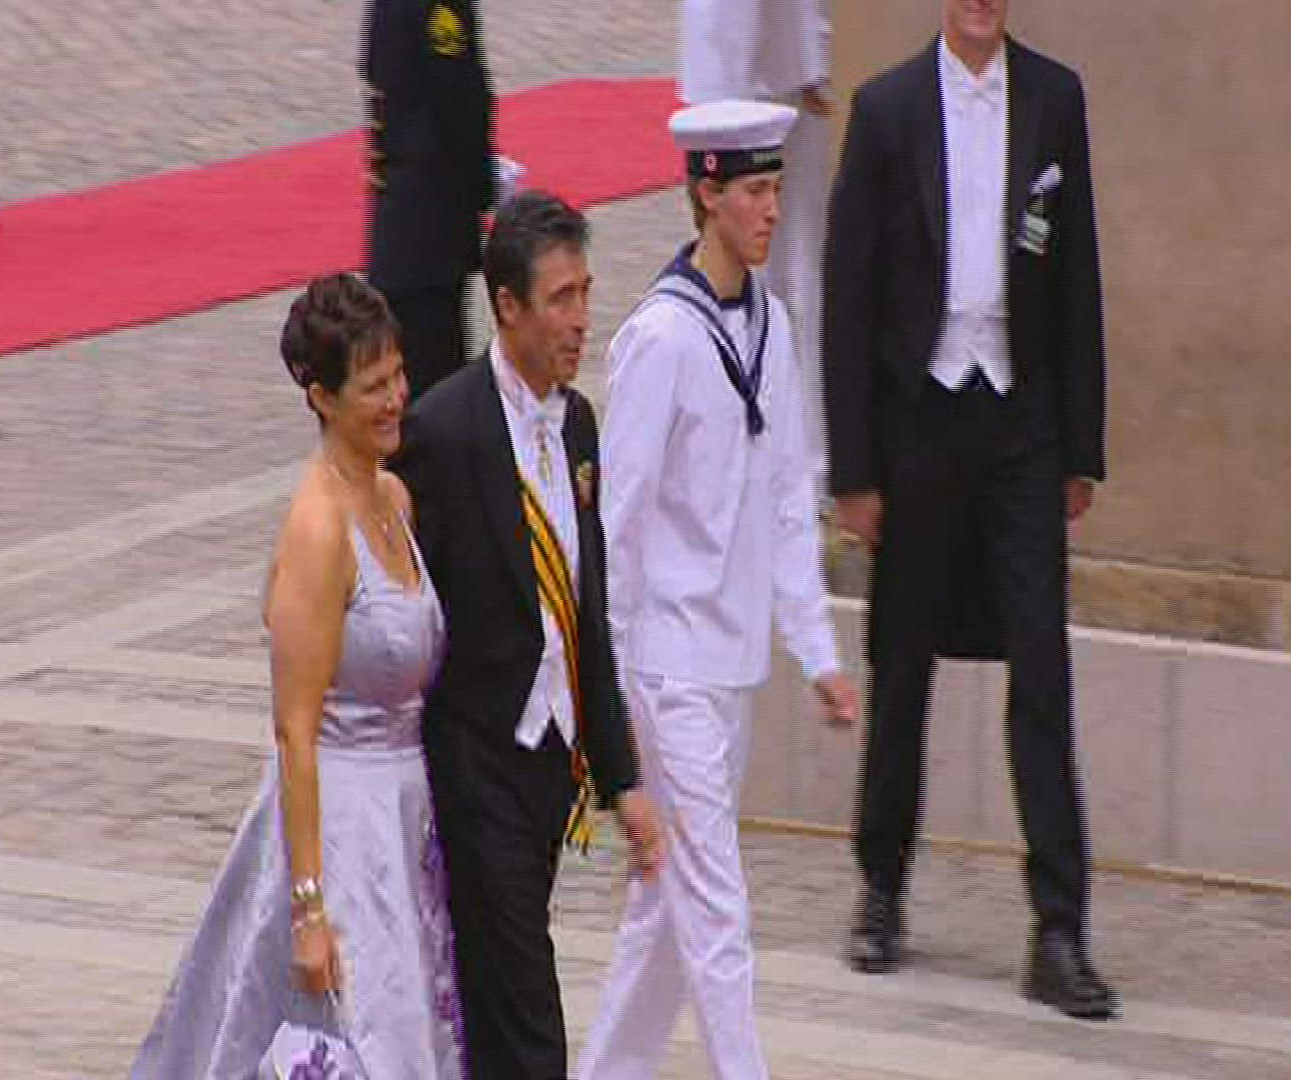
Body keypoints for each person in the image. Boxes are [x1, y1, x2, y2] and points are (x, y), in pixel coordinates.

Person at [822, 0, 1117, 1019]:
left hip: (1023, 426)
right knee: (901, 661)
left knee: (1042, 666)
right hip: (920, 422)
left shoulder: (1056, 99)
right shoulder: (888, 108)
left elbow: (1077, 275)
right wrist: (854, 470)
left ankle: (1060, 928)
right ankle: (881, 887)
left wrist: (1080, 450)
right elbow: (849, 293)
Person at [578, 101, 857, 1080]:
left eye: (777, 189)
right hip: (668, 666)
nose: (772, 210)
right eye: (754, 192)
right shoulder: (661, 337)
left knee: (665, 908)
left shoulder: (772, 326)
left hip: (731, 664)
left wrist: (816, 650)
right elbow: (615, 531)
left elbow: (786, 498)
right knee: (715, 906)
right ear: (707, 194)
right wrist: (608, 691)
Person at [129, 273, 464, 1077]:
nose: (396, 399)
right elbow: (295, 730)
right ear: (321, 397)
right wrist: (309, 908)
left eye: (398, 376)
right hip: (338, 825)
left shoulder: (392, 498)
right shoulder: (318, 529)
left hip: (405, 819)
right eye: (372, 386)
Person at [393, 189, 665, 1080]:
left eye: (585, 292)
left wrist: (621, 779)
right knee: (526, 1018)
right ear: (507, 306)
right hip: (475, 770)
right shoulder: (445, 432)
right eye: (560, 299)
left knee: (491, 1007)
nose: (581, 319)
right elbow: (404, 610)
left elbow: (585, 611)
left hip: (551, 773)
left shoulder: (577, 424)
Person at [679, 0, 835, 488]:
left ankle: (803, 451)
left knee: (798, 272)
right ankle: (760, 442)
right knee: (747, 273)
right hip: (749, 77)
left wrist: (812, 55)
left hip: (780, 70)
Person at [361, 0, 494, 398]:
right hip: (432, 226)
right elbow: (460, 101)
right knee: (436, 384)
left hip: (400, 221)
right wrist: (483, 188)